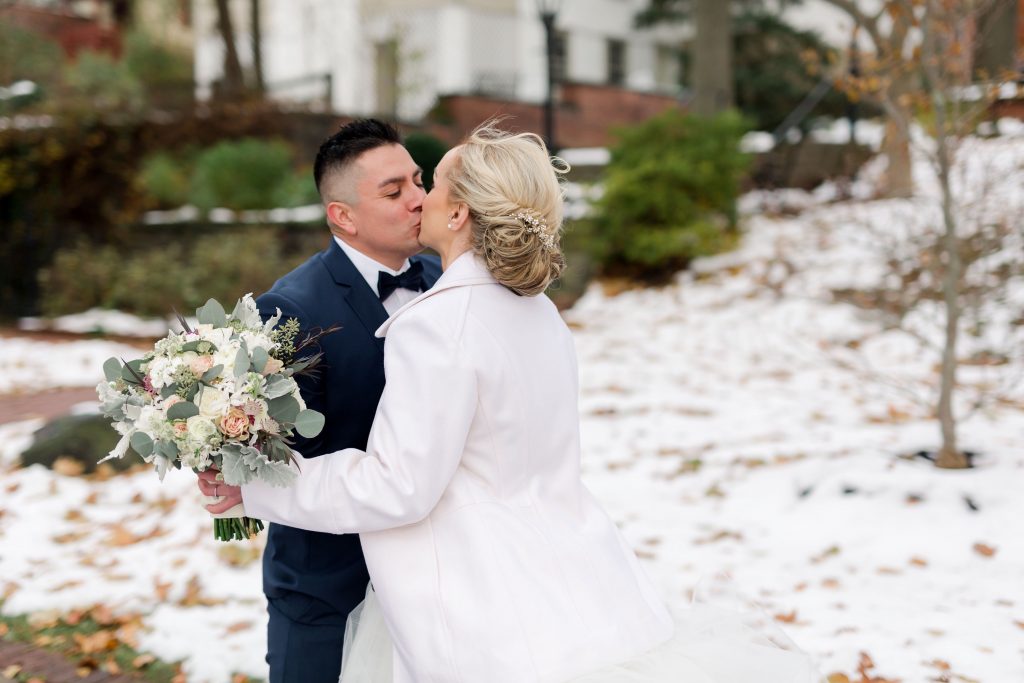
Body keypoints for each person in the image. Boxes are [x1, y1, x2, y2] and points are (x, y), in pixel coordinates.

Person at [201, 124, 819, 682]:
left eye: (430, 182)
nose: (421, 198)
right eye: (400, 189)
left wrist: (255, 488)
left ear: (461, 210)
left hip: (477, 602)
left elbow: (398, 486)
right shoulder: (539, 311)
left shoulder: (439, 320)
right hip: (570, 583)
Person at [245, 119, 441, 683]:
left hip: (434, 578)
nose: (418, 200)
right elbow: (276, 462)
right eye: (393, 190)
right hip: (328, 588)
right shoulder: (290, 309)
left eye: (417, 180)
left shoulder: (443, 278)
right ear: (343, 216)